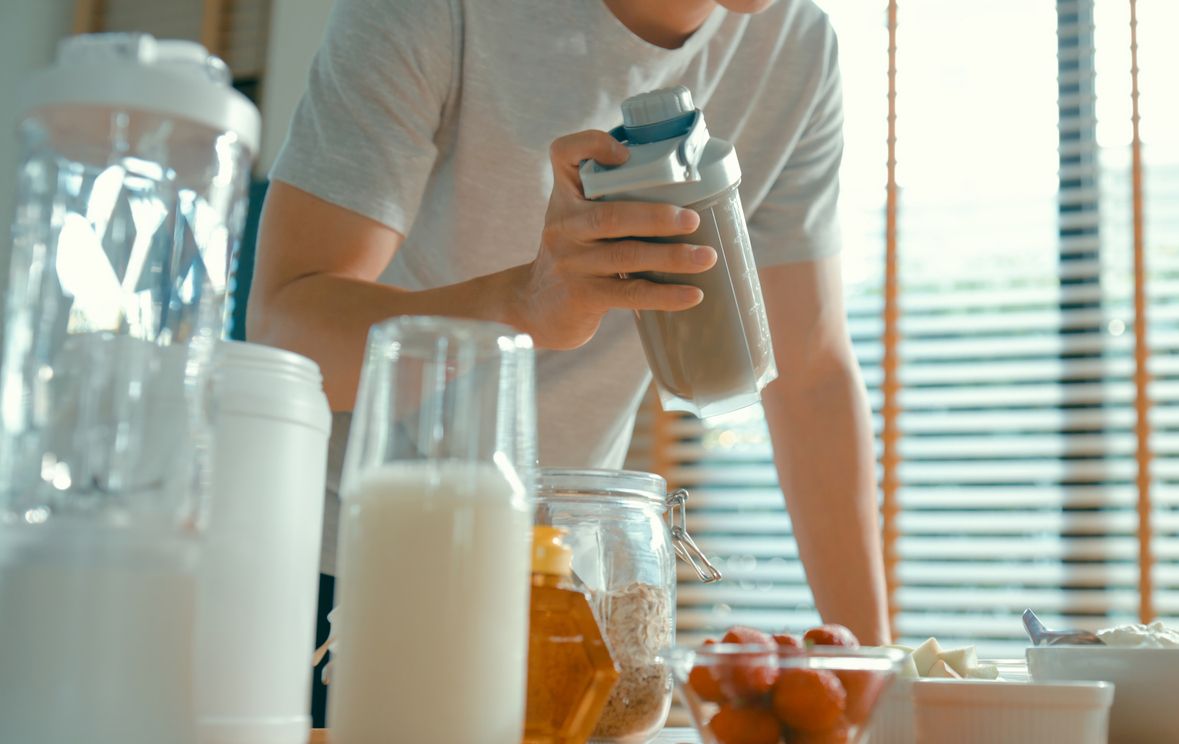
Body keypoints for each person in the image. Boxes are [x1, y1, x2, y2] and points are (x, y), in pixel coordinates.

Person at [248, 0, 889, 689]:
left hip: (559, 586)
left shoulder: (793, 46)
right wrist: (519, 304)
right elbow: (287, 336)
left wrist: (874, 682)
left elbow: (810, 374)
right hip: (336, 579)